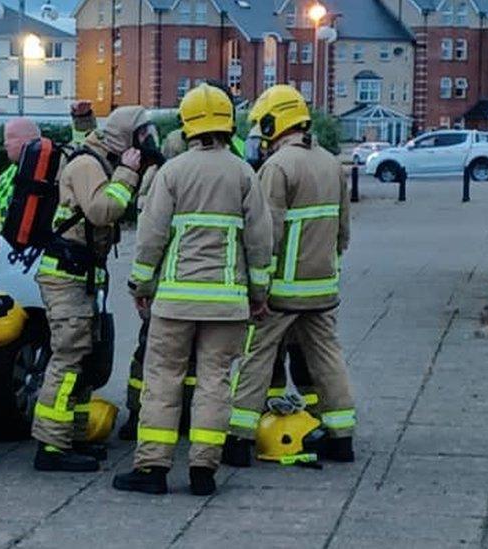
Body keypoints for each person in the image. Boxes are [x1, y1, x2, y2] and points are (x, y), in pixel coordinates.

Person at [112, 84, 272, 496]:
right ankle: (203, 469)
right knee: (215, 382)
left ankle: (152, 469)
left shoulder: (173, 171)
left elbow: (151, 238)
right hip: (228, 304)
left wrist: (141, 285)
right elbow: (259, 241)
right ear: (227, 123)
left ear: (187, 126)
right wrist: (258, 293)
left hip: (174, 302)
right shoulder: (243, 174)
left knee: (162, 379)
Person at [223, 84, 356, 467]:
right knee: (329, 360)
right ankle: (341, 437)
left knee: (255, 359)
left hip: (282, 291)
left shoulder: (278, 167)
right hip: (323, 288)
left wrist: (257, 288)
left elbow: (267, 235)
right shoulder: (331, 162)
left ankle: (238, 439)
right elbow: (343, 229)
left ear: (272, 121)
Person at [31, 105, 157, 472]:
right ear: (124, 138)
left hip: (84, 273)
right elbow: (102, 211)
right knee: (68, 357)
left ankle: (73, 435)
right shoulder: (87, 165)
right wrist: (128, 174)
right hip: (66, 274)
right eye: (142, 136)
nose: (148, 143)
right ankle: (51, 446)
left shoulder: (101, 161)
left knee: (84, 358)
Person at [117, 127, 192, 442]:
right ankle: (184, 416)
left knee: (149, 354)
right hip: (196, 285)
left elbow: (148, 237)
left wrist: (141, 285)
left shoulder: (162, 179)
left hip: (164, 286)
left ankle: (138, 416)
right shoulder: (210, 177)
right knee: (194, 359)